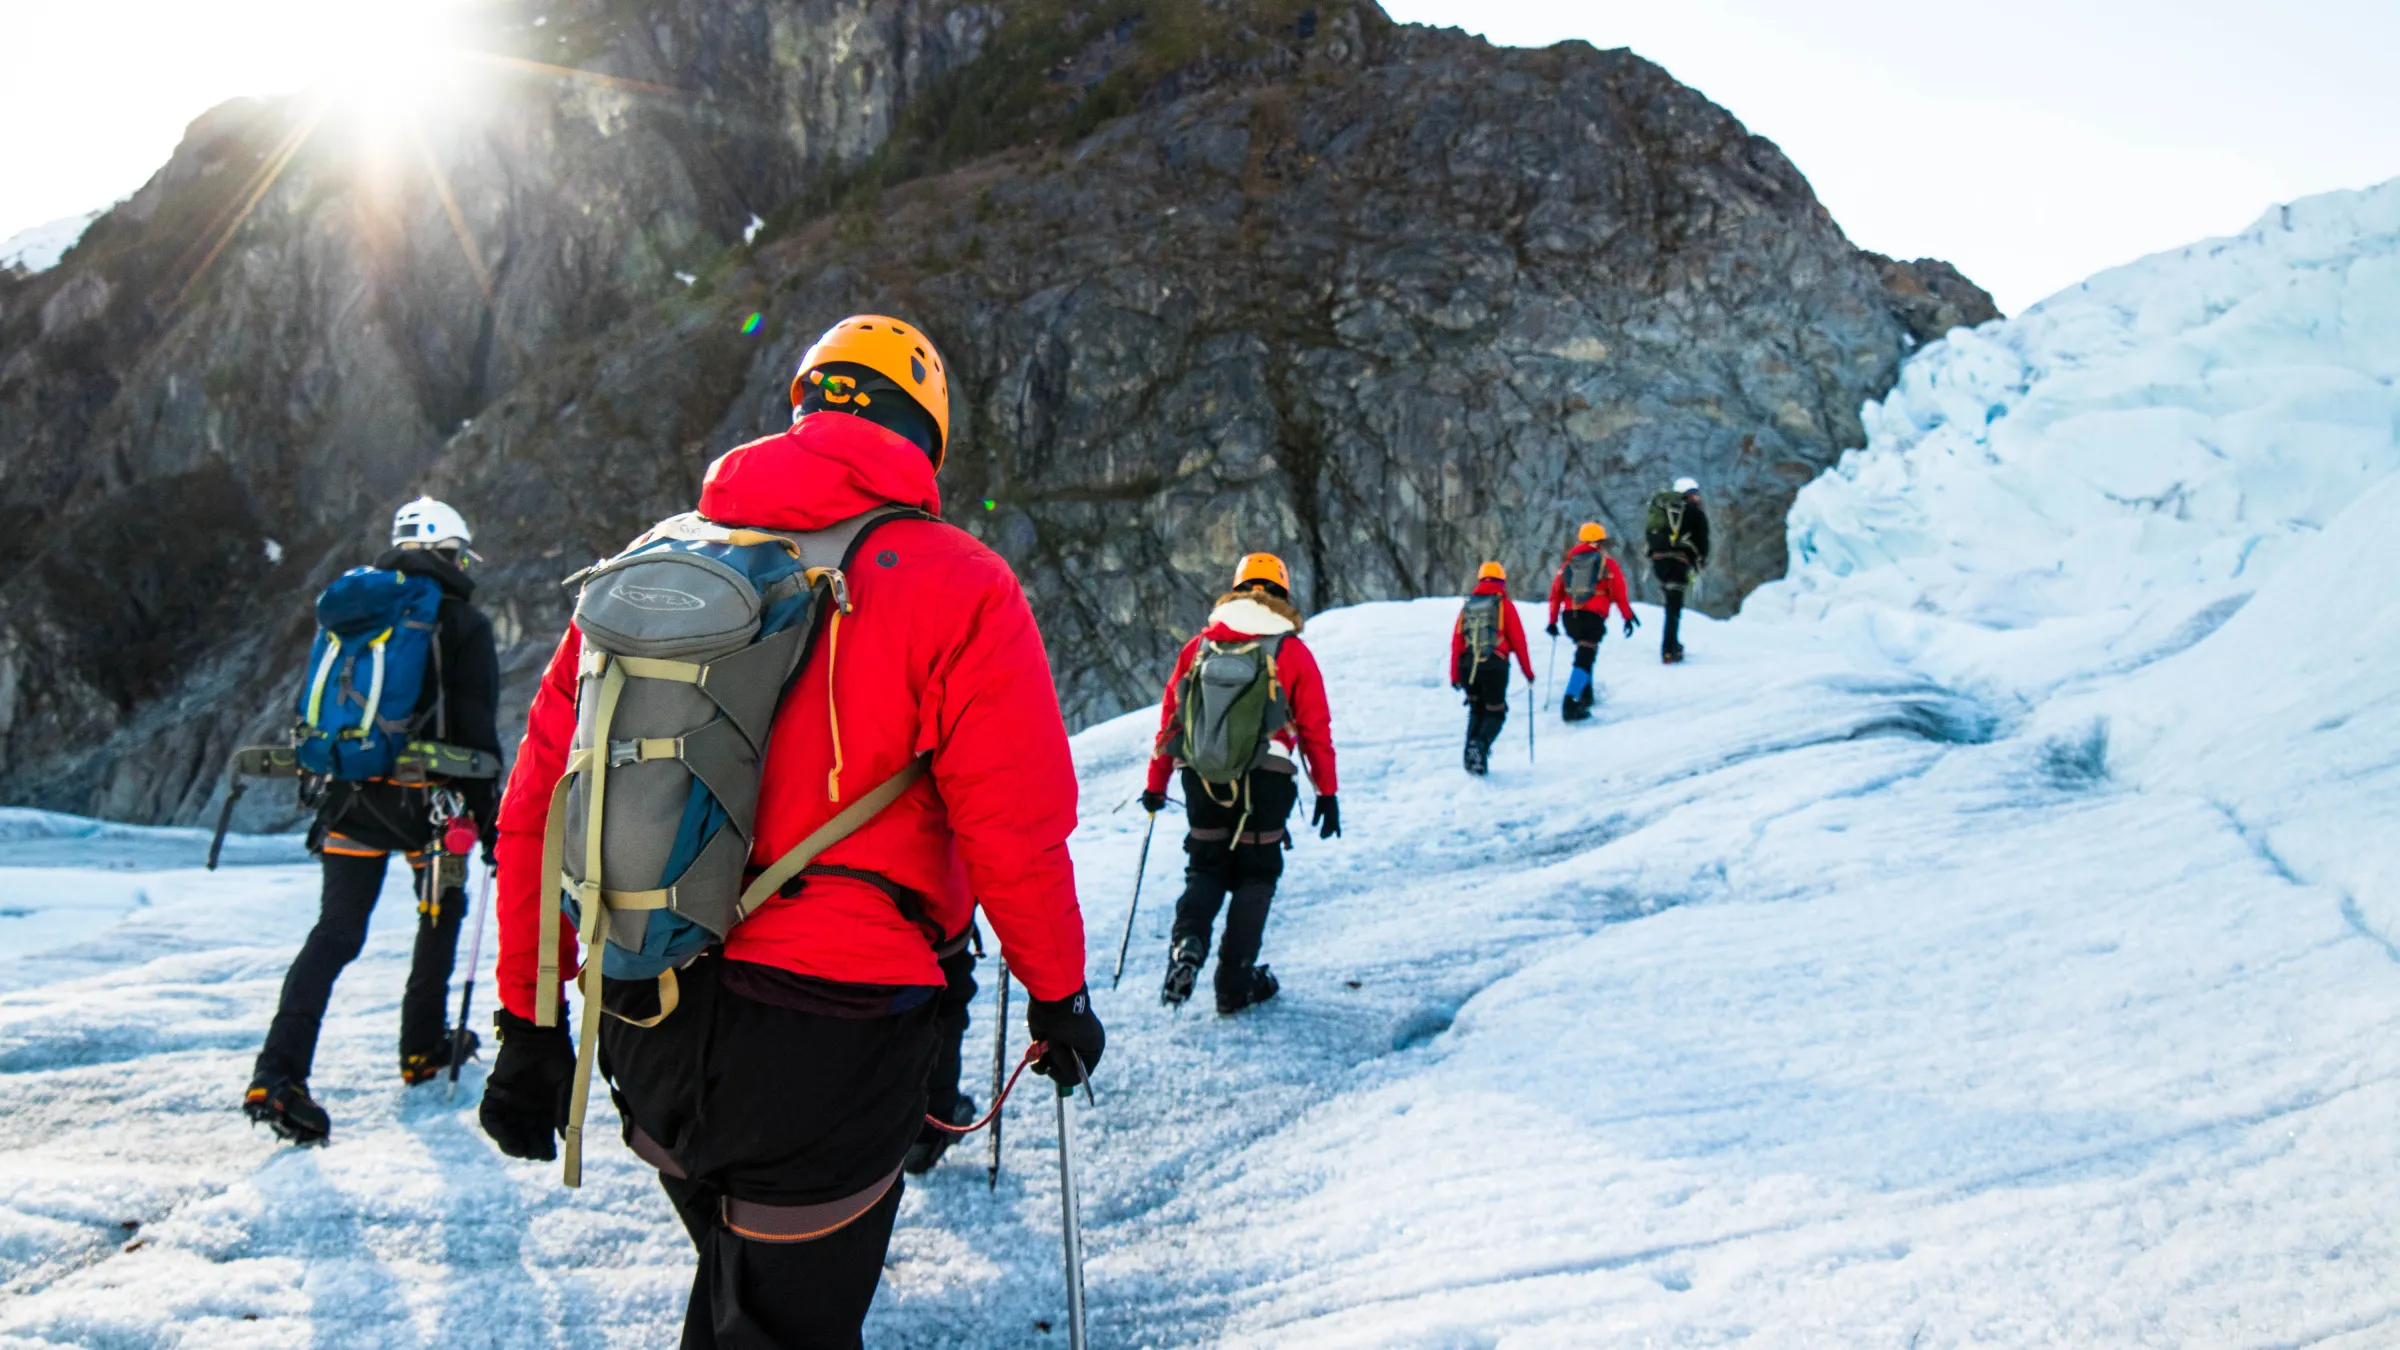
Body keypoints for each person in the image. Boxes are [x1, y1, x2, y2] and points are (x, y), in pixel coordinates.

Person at [477, 315, 1103, 1350]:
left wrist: (529, 1022)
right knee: (780, 1318)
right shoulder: (959, 582)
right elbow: (1015, 831)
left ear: (803, 406)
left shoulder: (658, 562)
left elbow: (540, 806)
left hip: (648, 1014)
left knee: (738, 1296)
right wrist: (1059, 996)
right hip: (834, 1043)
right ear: (926, 434)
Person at [243, 497, 502, 1144]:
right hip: (431, 809)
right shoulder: (461, 622)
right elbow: (476, 732)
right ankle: (421, 1050)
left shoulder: (357, 610)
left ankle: (276, 1077)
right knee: (439, 919)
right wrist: (493, 826)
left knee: (334, 935)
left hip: (351, 797)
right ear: (451, 551)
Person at [1139, 553, 1339, 1014]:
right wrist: (1327, 793)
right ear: (1282, 596)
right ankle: (1234, 985)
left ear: (1236, 589)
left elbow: (1171, 720)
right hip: (1267, 782)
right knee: (1256, 872)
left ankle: (1187, 943)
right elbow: (1315, 730)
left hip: (1202, 779)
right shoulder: (1291, 652)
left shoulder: (1199, 648)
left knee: (1207, 866)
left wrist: (1156, 783)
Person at [1545, 523, 1637, 721]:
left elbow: (1555, 595)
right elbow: (1619, 593)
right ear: (1600, 542)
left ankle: (1586, 697)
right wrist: (1627, 617)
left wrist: (1552, 621)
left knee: (1584, 653)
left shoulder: (1568, 565)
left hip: (1570, 617)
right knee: (1585, 656)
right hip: (1593, 616)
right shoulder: (1607, 564)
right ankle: (1570, 702)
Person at [1450, 561, 1535, 774]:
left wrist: (1455, 675)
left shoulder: (1467, 606)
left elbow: (1457, 642)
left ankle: (1471, 760)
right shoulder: (1503, 604)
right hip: (1494, 665)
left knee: (1476, 708)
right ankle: (1479, 747)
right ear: (1501, 581)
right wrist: (1528, 672)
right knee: (1496, 711)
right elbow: (1518, 640)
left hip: (1467, 666)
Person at [1645, 477, 1711, 663]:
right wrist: (1701, 559)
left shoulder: (1662, 510)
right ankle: (1669, 648)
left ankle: (1671, 644)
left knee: (1671, 602)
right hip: (1678, 562)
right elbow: (1702, 538)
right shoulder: (1693, 512)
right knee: (1674, 606)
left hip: (1659, 563)